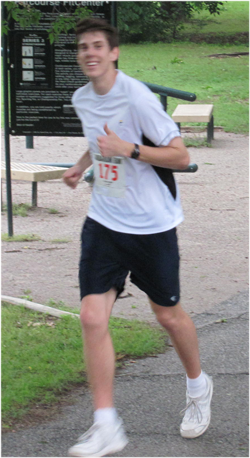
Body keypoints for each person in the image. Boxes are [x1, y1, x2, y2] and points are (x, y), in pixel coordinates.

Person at [63, 17, 213, 458]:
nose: (89, 52)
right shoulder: (82, 98)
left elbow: (180, 155)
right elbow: (99, 140)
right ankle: (107, 425)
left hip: (151, 226)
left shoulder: (138, 98)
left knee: (168, 316)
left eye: (97, 46)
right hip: (104, 221)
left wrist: (127, 150)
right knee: (92, 317)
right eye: (83, 47)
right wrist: (81, 163)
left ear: (114, 53)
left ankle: (198, 386)